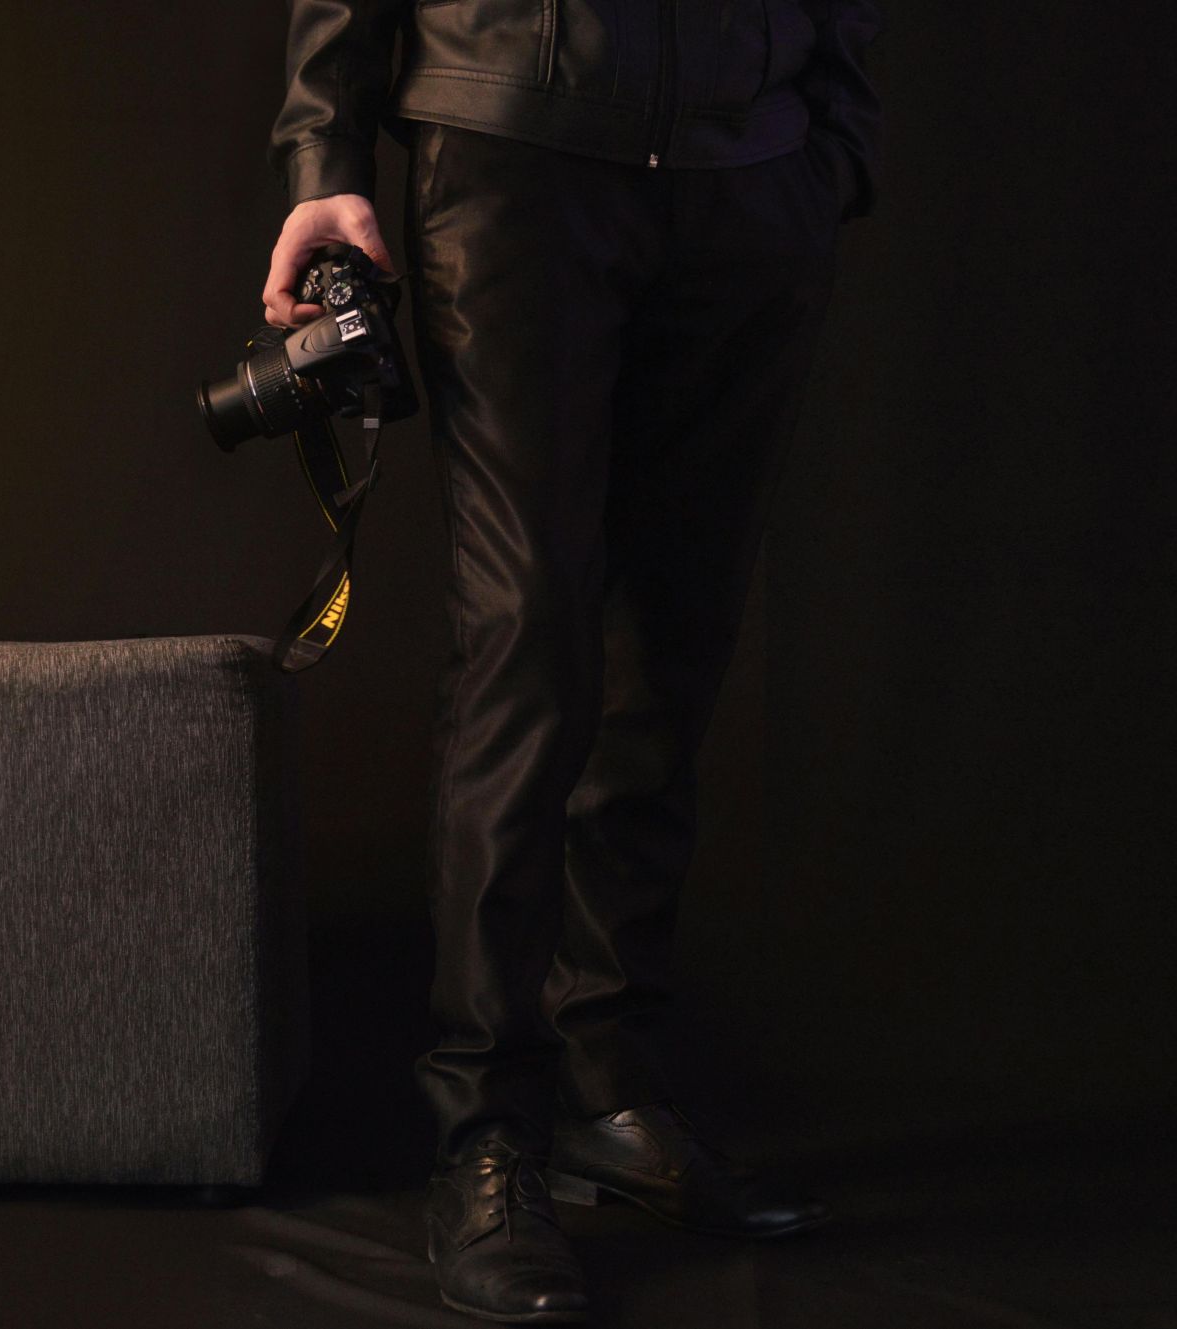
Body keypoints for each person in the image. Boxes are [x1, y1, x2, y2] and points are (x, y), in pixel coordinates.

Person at [261, 1, 883, 1322]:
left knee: (673, 642)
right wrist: (325, 158)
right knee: (526, 641)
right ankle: (487, 1130)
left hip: (753, 174)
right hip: (511, 158)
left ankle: (611, 1090)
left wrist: (832, 137)